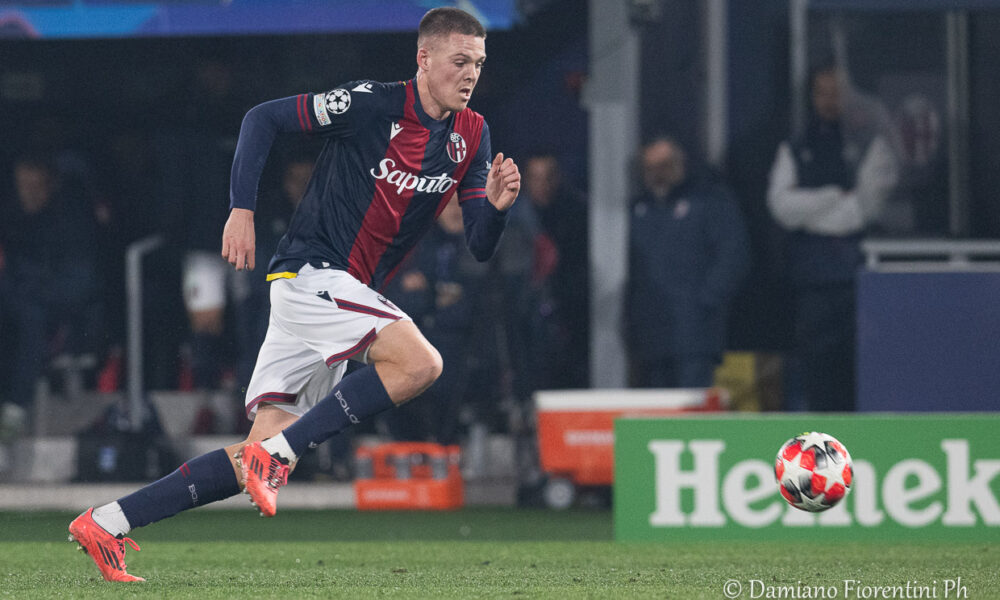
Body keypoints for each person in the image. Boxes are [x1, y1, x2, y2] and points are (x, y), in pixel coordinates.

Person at [68, 7, 520, 583]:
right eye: (460, 61)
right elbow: (263, 118)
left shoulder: (472, 135)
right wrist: (242, 208)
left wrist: (500, 211)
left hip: (336, 296)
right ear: (423, 59)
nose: (470, 74)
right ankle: (278, 457)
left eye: (478, 63)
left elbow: (480, 242)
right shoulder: (371, 104)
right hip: (315, 275)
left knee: (251, 454)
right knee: (421, 363)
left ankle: (107, 521)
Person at [766, 64, 897, 412]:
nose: (829, 101)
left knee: (858, 366)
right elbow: (781, 207)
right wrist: (832, 196)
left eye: (837, 92)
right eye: (822, 92)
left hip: (857, 278)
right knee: (816, 371)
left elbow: (864, 209)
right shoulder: (796, 147)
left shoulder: (870, 142)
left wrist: (810, 210)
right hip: (811, 280)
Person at [627, 137, 750, 388]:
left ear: (680, 164)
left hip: (695, 337)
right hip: (652, 338)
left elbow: (734, 255)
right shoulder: (638, 210)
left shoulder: (710, 200)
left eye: (664, 165)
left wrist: (706, 301)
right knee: (655, 417)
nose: (657, 174)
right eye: (650, 168)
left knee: (690, 414)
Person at [0, 155, 101, 431]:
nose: (29, 193)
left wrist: (29, 292)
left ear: (49, 185)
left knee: (31, 320)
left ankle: (14, 412)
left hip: (55, 309)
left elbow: (78, 283)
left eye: (35, 186)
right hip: (16, 303)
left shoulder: (69, 224)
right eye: (24, 186)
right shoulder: (11, 218)